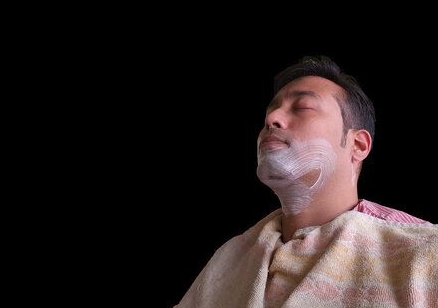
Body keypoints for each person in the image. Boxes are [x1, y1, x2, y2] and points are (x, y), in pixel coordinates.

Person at [176, 56, 438, 308]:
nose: (271, 119)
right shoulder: (227, 261)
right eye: (270, 111)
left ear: (357, 145)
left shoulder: (423, 252)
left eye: (302, 107)